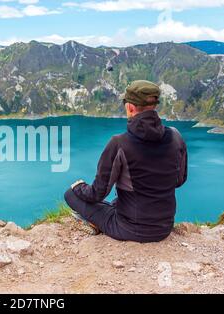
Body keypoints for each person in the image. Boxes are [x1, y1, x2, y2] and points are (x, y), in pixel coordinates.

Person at [64, 80, 188, 243]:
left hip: (130, 229)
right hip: (164, 227)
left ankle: (95, 223)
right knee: (118, 201)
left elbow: (97, 193)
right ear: (154, 106)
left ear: (129, 107)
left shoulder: (119, 144)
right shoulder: (175, 136)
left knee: (70, 195)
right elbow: (179, 180)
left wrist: (79, 187)